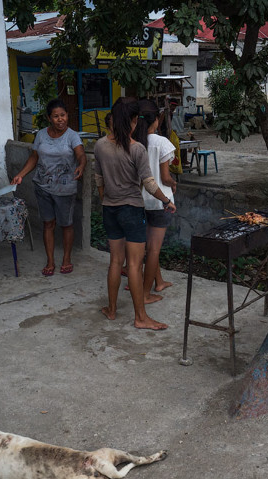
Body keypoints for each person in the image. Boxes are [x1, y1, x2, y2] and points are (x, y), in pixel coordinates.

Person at [94, 98, 176, 330]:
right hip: (132, 210)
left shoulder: (100, 146)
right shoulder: (136, 148)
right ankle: (141, 317)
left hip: (110, 209)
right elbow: (149, 183)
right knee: (133, 264)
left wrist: (106, 200)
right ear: (132, 121)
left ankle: (111, 310)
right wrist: (166, 200)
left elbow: (99, 179)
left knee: (115, 261)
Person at [12, 99, 86, 276]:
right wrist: (21, 174)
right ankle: (50, 261)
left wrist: (81, 166)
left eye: (63, 115)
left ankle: (66, 259)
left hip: (65, 188)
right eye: (56, 116)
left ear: (67, 116)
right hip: (42, 186)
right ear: (49, 118)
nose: (60, 119)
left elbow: (81, 154)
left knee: (66, 224)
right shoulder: (41, 135)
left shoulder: (72, 136)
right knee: (48, 224)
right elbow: (34, 157)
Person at [132, 99, 177, 303]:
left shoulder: (134, 141)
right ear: (156, 120)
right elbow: (165, 178)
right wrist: (174, 185)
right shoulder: (161, 143)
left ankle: (158, 281)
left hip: (140, 200)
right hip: (160, 201)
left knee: (150, 246)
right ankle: (145, 292)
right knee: (154, 249)